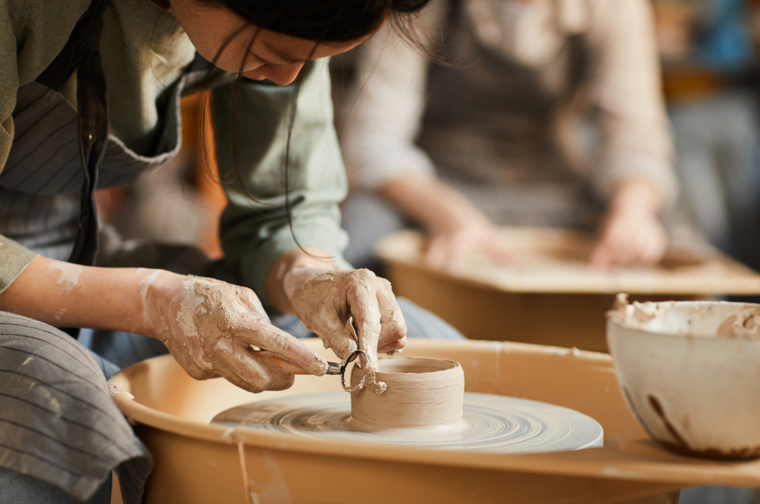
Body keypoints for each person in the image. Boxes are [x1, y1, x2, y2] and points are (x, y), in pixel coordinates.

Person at [0, 1, 466, 502]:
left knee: (428, 342)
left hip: (82, 256)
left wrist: (306, 276)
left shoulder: (301, 24)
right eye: (274, 52)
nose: (289, 80)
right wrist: (152, 299)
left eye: (308, 61)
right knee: (56, 410)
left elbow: (282, 209)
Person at [339, 0, 679, 272]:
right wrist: (450, 215)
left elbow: (634, 134)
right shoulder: (423, 5)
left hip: (550, 186)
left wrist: (631, 212)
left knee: (669, 234)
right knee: (353, 235)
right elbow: (372, 141)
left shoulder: (615, 6)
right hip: (435, 182)